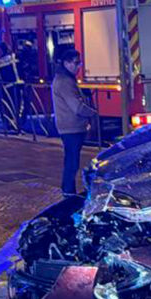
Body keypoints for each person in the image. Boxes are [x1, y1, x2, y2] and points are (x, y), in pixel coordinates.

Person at [52, 49, 96, 196]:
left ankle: (68, 189)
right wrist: (93, 112)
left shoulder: (65, 79)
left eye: (79, 63)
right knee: (72, 161)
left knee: (72, 159)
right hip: (71, 127)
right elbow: (76, 106)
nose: (78, 67)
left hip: (70, 126)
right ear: (66, 63)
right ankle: (68, 191)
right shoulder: (65, 82)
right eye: (76, 63)